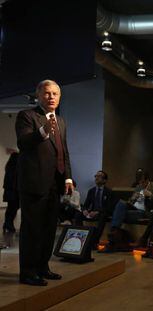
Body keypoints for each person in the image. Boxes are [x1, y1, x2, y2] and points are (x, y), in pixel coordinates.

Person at [16, 80, 73, 286]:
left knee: (49, 229)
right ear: (38, 95)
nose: (52, 97)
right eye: (47, 93)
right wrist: (43, 131)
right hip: (34, 184)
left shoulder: (62, 121)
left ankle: (42, 267)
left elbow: (63, 152)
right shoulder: (27, 116)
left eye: (55, 94)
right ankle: (28, 272)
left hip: (54, 185)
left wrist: (67, 177)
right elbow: (22, 143)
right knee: (32, 230)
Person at [74, 171, 113, 247]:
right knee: (78, 215)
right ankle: (81, 237)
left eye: (99, 176)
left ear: (104, 180)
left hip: (102, 212)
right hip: (92, 212)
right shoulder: (91, 191)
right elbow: (85, 205)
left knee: (103, 216)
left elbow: (109, 207)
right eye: (96, 176)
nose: (96, 178)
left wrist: (97, 212)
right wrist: (85, 210)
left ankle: (95, 241)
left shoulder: (109, 192)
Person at [2, 151, 19, 233]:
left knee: (11, 209)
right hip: (13, 192)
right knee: (12, 209)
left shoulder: (9, 167)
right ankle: (8, 225)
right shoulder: (14, 168)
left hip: (11, 192)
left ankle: (7, 224)